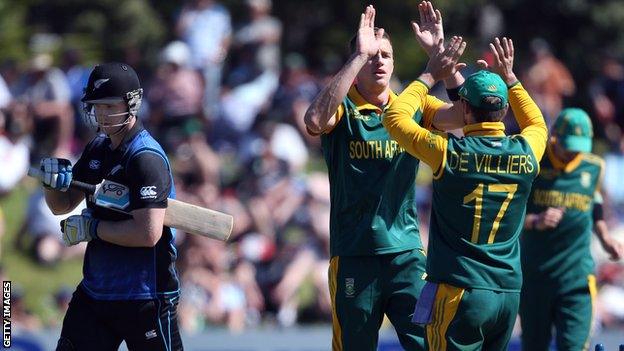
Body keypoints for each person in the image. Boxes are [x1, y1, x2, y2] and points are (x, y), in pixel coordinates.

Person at [303, 3, 466, 349]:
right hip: (354, 255)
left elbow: (466, 116)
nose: (379, 61)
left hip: (405, 254)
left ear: (394, 64)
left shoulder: (411, 107)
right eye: (370, 56)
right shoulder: (342, 107)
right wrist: (356, 57)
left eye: (386, 55)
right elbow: (315, 122)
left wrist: (444, 62)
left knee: (432, 343)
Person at [383, 36, 547, 350]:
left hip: (460, 291)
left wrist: (429, 75)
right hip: (508, 295)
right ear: (503, 110)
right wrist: (510, 78)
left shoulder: (449, 154)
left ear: (464, 111)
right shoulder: (527, 151)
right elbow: (536, 121)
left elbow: (393, 118)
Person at [40, 62, 182, 350]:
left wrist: (93, 229)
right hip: (96, 292)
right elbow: (62, 205)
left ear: (132, 103)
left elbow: (148, 234)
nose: (101, 114)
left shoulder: (145, 158)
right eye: (96, 105)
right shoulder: (97, 149)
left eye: (109, 105)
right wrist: (52, 184)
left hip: (145, 296)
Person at [519, 107, 624, 351]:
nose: (573, 153)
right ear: (554, 136)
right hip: (536, 275)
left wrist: (605, 236)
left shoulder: (593, 166)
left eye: (579, 146)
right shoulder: (534, 163)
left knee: (574, 346)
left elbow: (594, 201)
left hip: (576, 277)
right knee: (534, 345)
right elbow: (509, 215)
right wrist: (536, 221)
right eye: (568, 145)